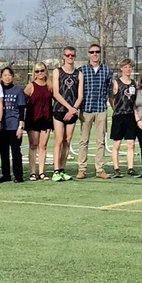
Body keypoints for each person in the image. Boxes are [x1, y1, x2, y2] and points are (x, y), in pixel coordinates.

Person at [75, 43, 113, 180]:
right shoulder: (82, 70)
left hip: (101, 109)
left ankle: (100, 169)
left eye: (97, 51)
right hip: (86, 109)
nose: (95, 54)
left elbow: (109, 91)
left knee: (100, 141)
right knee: (83, 140)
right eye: (92, 52)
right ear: (88, 53)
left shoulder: (107, 70)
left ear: (100, 53)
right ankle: (82, 169)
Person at [50, 47, 81, 182]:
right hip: (59, 110)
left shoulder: (79, 74)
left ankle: (62, 169)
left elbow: (80, 95)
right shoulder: (57, 71)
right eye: (67, 55)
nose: (70, 57)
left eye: (72, 55)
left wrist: (73, 109)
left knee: (67, 141)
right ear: (63, 56)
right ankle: (56, 170)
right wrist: (69, 108)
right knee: (59, 140)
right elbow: (56, 93)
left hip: (72, 112)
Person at [109, 59, 138, 178]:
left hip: (130, 115)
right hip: (119, 116)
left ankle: (130, 168)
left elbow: (135, 100)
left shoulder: (133, 83)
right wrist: (115, 108)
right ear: (121, 68)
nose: (128, 69)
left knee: (131, 143)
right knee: (117, 144)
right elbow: (111, 98)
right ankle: (116, 168)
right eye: (125, 67)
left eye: (130, 67)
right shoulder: (116, 82)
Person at [23, 62, 52, 181]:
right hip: (33, 119)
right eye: (37, 71)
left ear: (46, 71)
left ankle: (42, 172)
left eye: (42, 70)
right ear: (34, 73)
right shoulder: (30, 86)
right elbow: (22, 102)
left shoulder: (50, 86)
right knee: (33, 145)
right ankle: (32, 172)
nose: (40, 73)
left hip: (46, 119)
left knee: (43, 146)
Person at [0, 67, 26, 183]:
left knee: (15, 152)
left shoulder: (18, 90)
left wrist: (20, 127)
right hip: (2, 126)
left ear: (13, 77)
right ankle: (6, 175)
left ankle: (18, 176)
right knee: (3, 152)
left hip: (14, 126)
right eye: (5, 75)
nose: (7, 77)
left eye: (9, 75)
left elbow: (21, 109)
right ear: (1, 77)